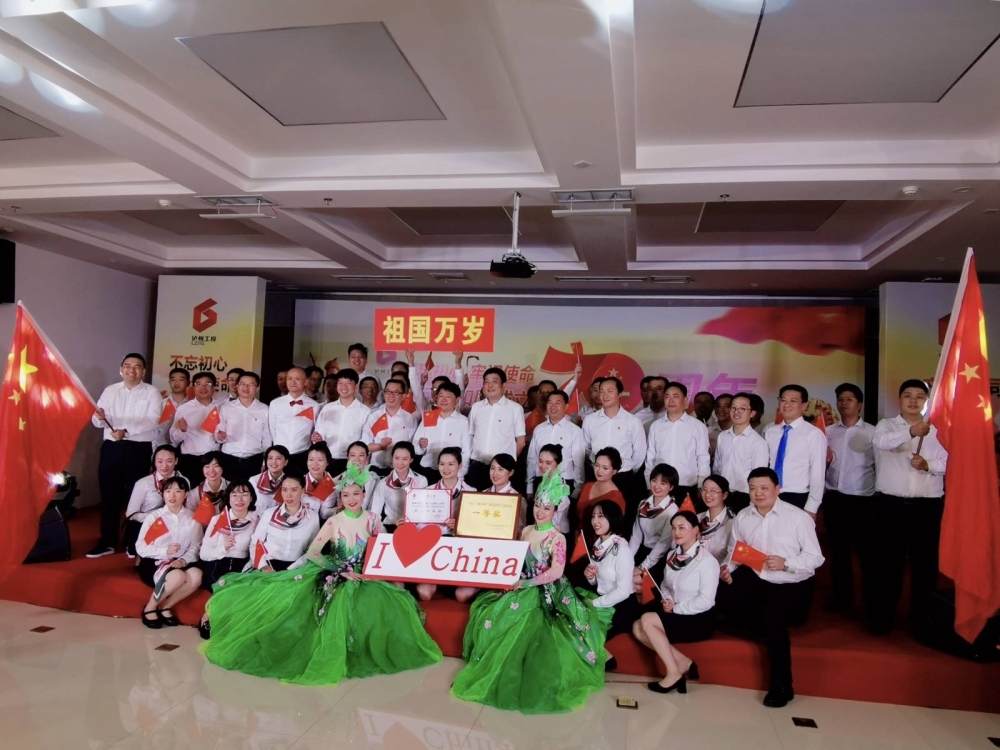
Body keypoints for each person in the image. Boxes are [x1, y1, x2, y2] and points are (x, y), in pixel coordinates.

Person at [202, 462, 443, 684]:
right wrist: (340, 570)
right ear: (341, 498)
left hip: (363, 573)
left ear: (363, 495)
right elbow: (314, 552)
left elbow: (382, 548)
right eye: (345, 495)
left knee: (387, 602)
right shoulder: (333, 521)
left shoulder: (373, 519)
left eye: (356, 494)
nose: (351, 499)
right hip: (335, 571)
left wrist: (372, 568)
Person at [451, 468, 612, 714]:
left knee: (544, 630)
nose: (540, 511)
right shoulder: (526, 530)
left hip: (547, 591)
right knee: (491, 614)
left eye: (546, 508)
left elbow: (556, 571)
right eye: (537, 505)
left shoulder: (557, 538)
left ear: (555, 511)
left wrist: (526, 584)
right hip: (521, 584)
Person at [716, 467, 824, 708]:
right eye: (753, 488)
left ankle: (783, 686)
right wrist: (727, 569)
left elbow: (815, 558)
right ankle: (762, 624)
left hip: (790, 582)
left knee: (772, 621)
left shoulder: (798, 517)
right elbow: (736, 551)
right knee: (720, 602)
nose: (758, 493)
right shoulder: (744, 516)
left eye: (764, 488)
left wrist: (787, 563)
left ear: (777, 489)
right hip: (756, 576)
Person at [868, 379, 947, 636]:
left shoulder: (940, 428)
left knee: (925, 567)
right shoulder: (886, 425)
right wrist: (912, 432)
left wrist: (928, 465)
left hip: (927, 508)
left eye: (920, 396)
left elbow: (950, 461)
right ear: (900, 399)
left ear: (927, 401)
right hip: (891, 507)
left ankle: (922, 622)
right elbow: (882, 443)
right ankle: (882, 619)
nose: (914, 400)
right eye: (908, 395)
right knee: (887, 566)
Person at [634, 510, 719, 694]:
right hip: (676, 612)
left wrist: (676, 608)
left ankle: (673, 674)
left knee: (647, 619)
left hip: (699, 618)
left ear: (695, 530)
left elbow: (706, 601)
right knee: (637, 627)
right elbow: (666, 586)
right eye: (673, 528)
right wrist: (668, 599)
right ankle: (682, 662)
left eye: (682, 528)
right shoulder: (672, 555)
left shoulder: (707, 561)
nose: (676, 532)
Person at [89, 353, 163, 558]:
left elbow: (152, 420)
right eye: (128, 366)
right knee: (109, 495)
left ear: (143, 371)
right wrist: (98, 417)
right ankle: (107, 541)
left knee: (136, 496)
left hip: (138, 449)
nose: (132, 370)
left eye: (137, 366)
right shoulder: (110, 391)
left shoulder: (152, 392)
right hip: (112, 448)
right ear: (121, 369)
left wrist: (126, 431)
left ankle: (133, 541)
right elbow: (97, 421)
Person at [824, 382, 876, 613]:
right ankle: (842, 598)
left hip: (863, 501)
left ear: (860, 405)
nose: (844, 403)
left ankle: (871, 603)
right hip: (835, 499)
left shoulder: (873, 433)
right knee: (839, 553)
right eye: (840, 399)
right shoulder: (827, 432)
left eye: (850, 399)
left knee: (867, 555)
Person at [135, 476, 203, 629]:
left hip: (180, 561)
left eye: (178, 491)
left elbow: (196, 546)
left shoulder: (192, 518)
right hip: (154, 562)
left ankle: (165, 606)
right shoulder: (154, 517)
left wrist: (183, 560)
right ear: (163, 494)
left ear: (186, 495)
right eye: (168, 491)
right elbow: (141, 547)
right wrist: (165, 550)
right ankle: (150, 607)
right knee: (177, 575)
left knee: (196, 575)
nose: (172, 495)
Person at [197, 482, 259, 639]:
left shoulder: (256, 520)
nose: (239, 499)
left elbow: (256, 550)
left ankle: (218, 620)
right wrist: (223, 548)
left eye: (244, 494)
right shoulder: (218, 520)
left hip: (243, 565)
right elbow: (204, 554)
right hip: (218, 563)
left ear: (251, 498)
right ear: (228, 498)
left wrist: (249, 567)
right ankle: (207, 617)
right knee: (223, 585)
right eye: (234, 495)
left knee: (237, 586)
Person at [584, 500, 639, 671]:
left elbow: (623, 591)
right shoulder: (598, 546)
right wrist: (591, 577)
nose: (595, 521)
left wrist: (595, 604)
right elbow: (598, 581)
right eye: (593, 516)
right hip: (603, 598)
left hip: (622, 606)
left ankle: (607, 659)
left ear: (613, 519)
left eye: (601, 516)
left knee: (583, 628)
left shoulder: (621, 550)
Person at [582, 377, 647, 504]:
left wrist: (625, 468)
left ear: (619, 394)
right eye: (602, 391)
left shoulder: (633, 421)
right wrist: (597, 466)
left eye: (610, 391)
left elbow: (639, 452)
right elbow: (586, 448)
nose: (605, 395)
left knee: (621, 512)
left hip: (623, 477)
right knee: (596, 511)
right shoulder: (590, 420)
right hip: (597, 475)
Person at [645, 382, 709, 510]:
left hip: (687, 485)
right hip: (660, 486)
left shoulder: (697, 426)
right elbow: (650, 458)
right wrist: (649, 485)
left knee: (683, 521)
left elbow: (703, 458)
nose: (671, 400)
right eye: (667, 396)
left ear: (685, 400)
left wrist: (701, 486)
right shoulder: (656, 426)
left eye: (675, 396)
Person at [764, 385, 826, 516]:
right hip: (770, 495)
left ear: (804, 406)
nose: (787, 405)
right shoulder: (770, 432)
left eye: (793, 401)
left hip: (798, 497)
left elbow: (818, 474)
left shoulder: (813, 434)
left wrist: (812, 508)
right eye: (783, 400)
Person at [467, 367, 526, 490]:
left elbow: (521, 442)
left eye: (494, 381)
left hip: (501, 470)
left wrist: (506, 463)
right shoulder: (476, 407)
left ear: (503, 386)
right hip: (477, 467)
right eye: (486, 382)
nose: (490, 385)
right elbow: (470, 436)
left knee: (499, 500)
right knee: (475, 500)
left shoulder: (515, 409)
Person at [247, 475, 321, 572]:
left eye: (294, 490)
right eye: (285, 490)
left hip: (297, 567)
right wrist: (263, 566)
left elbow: (313, 548)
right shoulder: (269, 514)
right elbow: (256, 541)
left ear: (303, 490)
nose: (288, 495)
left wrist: (295, 568)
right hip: (269, 566)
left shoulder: (312, 517)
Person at [124, 445, 184, 558]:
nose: (164, 466)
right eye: (160, 461)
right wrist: (152, 517)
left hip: (174, 522)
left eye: (169, 461)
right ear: (154, 462)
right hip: (148, 524)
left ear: (176, 461)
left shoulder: (183, 480)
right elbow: (130, 513)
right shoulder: (143, 483)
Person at [713, 392, 769, 513]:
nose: (736, 412)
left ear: (752, 413)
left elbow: (758, 477)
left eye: (742, 409)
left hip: (744, 497)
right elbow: (717, 467)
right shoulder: (723, 436)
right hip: (722, 494)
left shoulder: (758, 442)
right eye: (733, 408)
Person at [526, 390, 585, 504]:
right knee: (540, 513)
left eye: (557, 403)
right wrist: (529, 486)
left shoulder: (575, 431)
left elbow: (578, 462)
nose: (553, 407)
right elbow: (532, 459)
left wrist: (578, 488)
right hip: (541, 480)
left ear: (566, 406)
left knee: (561, 514)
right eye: (550, 403)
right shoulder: (539, 429)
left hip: (564, 481)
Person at [630, 463, 680, 591]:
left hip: (661, 557)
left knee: (633, 582)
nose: (657, 486)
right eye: (654, 481)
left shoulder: (672, 511)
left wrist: (642, 567)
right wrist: (627, 559)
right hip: (643, 550)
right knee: (621, 574)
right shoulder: (643, 504)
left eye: (663, 483)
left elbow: (663, 544)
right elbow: (636, 536)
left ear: (671, 487)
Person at [312, 369, 370, 476]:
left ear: (356, 386)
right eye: (340, 383)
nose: (344, 387)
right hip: (327, 460)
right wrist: (317, 438)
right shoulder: (327, 408)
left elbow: (366, 440)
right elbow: (319, 432)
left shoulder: (365, 411)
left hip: (352, 462)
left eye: (348, 383)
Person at [216, 371, 270, 484]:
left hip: (254, 460)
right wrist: (220, 436)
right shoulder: (226, 407)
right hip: (229, 459)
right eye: (242, 384)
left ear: (257, 388)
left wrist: (265, 461)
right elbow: (219, 431)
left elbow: (267, 436)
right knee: (229, 491)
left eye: (251, 385)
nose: (246, 387)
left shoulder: (264, 409)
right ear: (237, 386)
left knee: (253, 491)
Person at [412, 381, 470, 483]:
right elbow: (415, 445)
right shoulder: (428, 417)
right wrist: (420, 445)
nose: (444, 399)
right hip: (428, 469)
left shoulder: (463, 421)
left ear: (457, 400)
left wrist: (460, 473)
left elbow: (467, 450)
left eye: (448, 397)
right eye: (441, 396)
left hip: (452, 472)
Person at [170, 371, 222, 482]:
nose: (203, 387)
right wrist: (181, 430)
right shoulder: (184, 409)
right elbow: (173, 438)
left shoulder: (221, 407)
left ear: (214, 388)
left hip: (214, 460)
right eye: (198, 384)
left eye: (207, 384)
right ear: (193, 387)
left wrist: (222, 436)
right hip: (190, 460)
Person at [362, 379, 420, 474]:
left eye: (396, 392)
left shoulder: (409, 419)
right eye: (388, 391)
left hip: (399, 470)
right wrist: (380, 446)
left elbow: (412, 448)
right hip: (375, 468)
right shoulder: (374, 417)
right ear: (384, 394)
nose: (391, 395)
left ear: (403, 396)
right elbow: (365, 445)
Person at [268, 367, 318, 475]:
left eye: (297, 379)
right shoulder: (275, 404)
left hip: (303, 455)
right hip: (280, 456)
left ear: (306, 381)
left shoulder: (314, 405)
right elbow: (272, 430)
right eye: (290, 378)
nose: (293, 382)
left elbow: (315, 431)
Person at [369, 442, 429, 529]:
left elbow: (424, 508)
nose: (400, 463)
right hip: (391, 526)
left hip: (415, 527)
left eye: (405, 459)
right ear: (392, 458)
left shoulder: (421, 480)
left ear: (411, 460)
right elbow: (375, 513)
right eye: (396, 458)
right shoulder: (383, 483)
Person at [323, 441, 378, 518]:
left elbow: (374, 510)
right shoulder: (332, 479)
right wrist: (337, 510)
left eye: (361, 455)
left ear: (367, 458)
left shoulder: (374, 480)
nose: (357, 460)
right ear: (347, 458)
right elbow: (323, 512)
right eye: (352, 455)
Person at [576, 447, 627, 529]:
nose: (599, 470)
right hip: (580, 534)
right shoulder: (587, 486)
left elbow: (615, 528)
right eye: (597, 465)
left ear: (614, 471)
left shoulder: (616, 498)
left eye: (605, 468)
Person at [529, 445, 571, 533]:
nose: (543, 466)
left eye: (548, 463)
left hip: (555, 533)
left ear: (558, 464)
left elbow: (560, 521)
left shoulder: (560, 487)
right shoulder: (539, 482)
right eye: (540, 461)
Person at [698, 475, 734, 564]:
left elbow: (733, 555)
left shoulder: (733, 523)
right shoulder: (697, 518)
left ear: (724, 495)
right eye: (704, 489)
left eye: (713, 491)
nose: (707, 494)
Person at [185, 451, 229, 523]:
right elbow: (189, 518)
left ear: (223, 467)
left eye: (216, 466)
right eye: (207, 466)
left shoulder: (232, 488)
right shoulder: (194, 494)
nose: (211, 470)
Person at [248, 445, 289, 512]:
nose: (274, 462)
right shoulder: (254, 481)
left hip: (282, 516)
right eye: (270, 458)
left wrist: (286, 517)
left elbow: (291, 506)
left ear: (286, 462)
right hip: (259, 517)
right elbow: (248, 505)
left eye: (278, 458)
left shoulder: (289, 481)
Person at [155, 367, 189, 449]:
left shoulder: (192, 406)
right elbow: (154, 429)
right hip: (162, 448)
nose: (176, 383)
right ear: (169, 382)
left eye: (181, 380)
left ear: (188, 383)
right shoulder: (161, 404)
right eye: (173, 380)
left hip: (185, 450)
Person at [303, 442, 337, 514]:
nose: (315, 463)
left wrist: (337, 510)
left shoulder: (331, 485)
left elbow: (324, 514)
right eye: (311, 459)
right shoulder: (299, 482)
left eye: (320, 460)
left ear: (327, 462)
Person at [708, 393, 733, 457]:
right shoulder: (707, 432)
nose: (721, 410)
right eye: (718, 406)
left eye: (727, 406)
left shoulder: (740, 432)